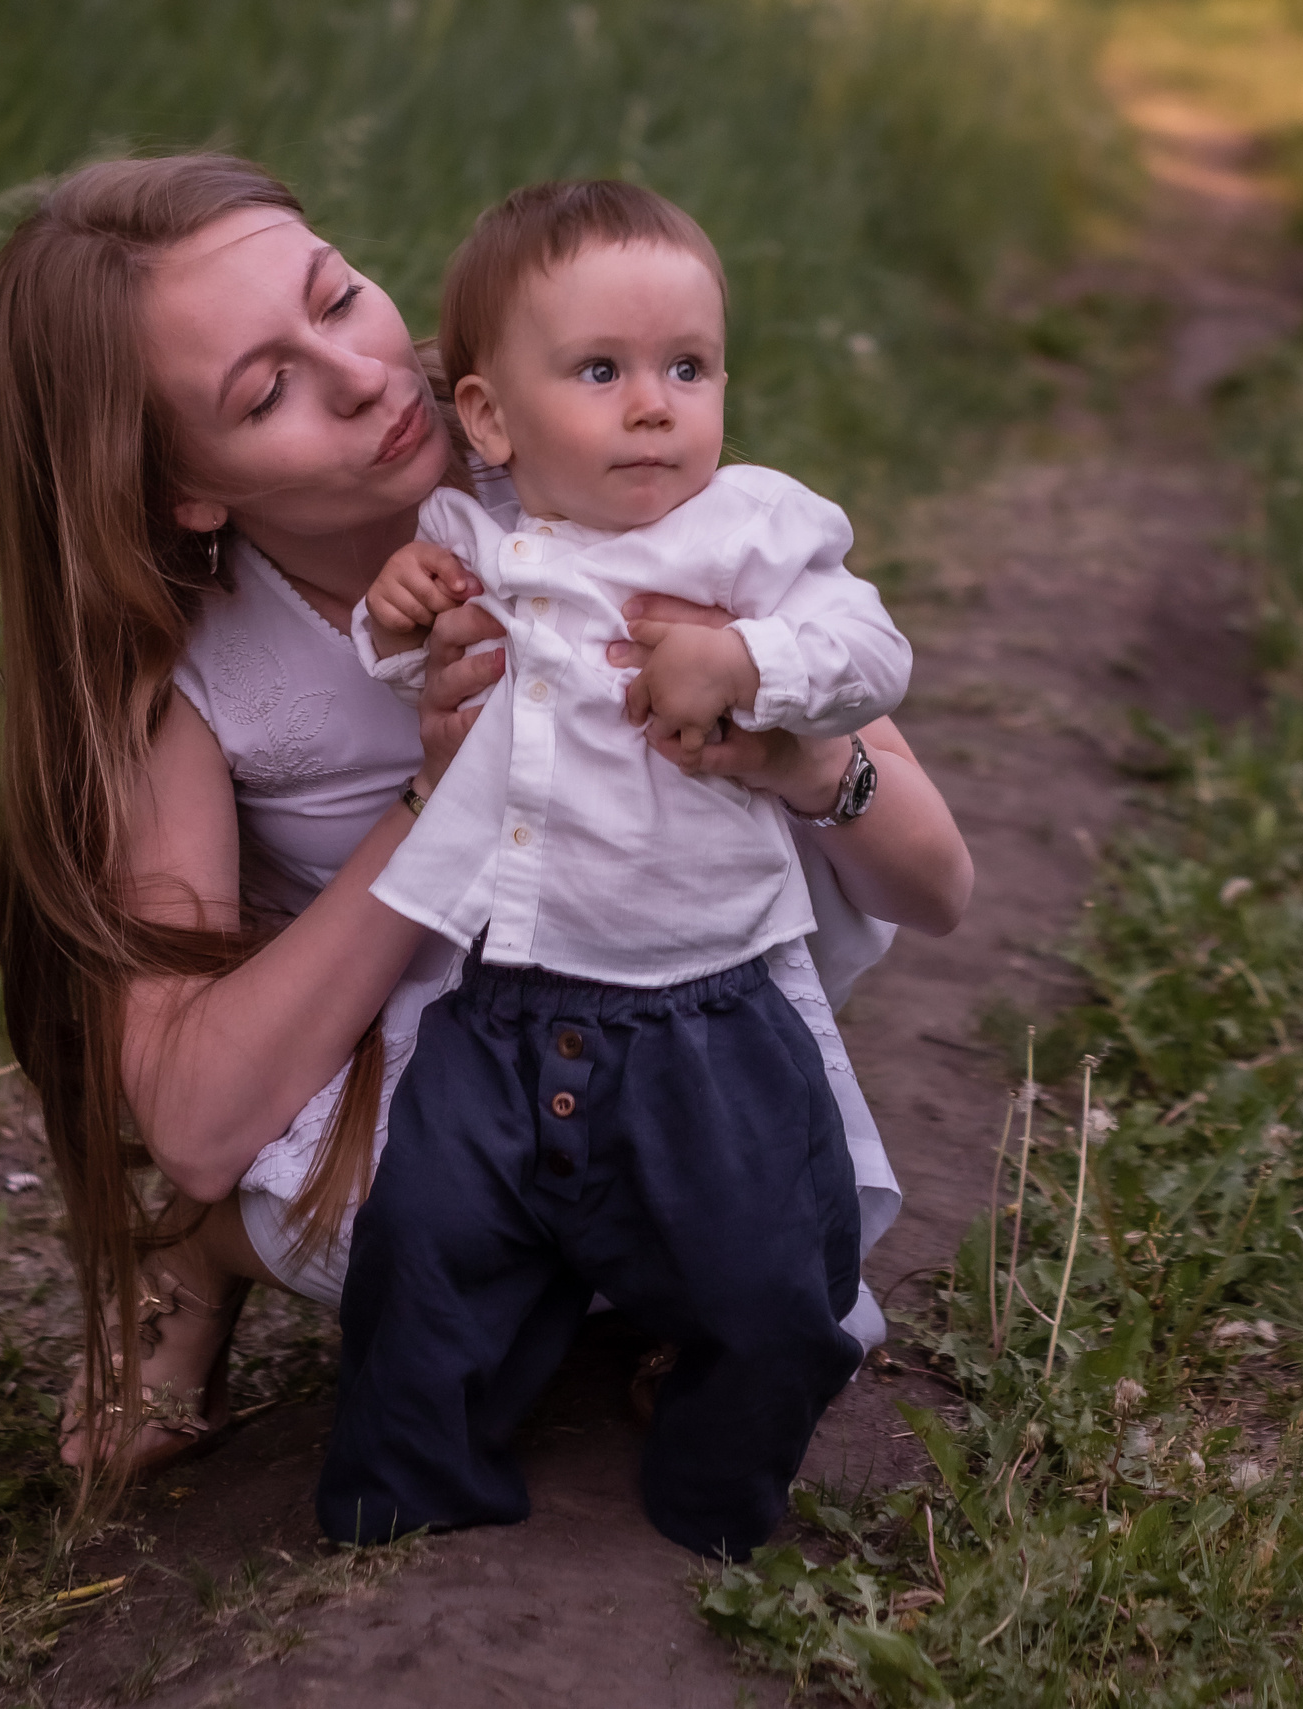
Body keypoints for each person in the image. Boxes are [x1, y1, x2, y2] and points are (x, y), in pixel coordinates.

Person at [0, 154, 973, 1493]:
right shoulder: (197, 676)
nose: (368, 377)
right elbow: (200, 1120)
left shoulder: (582, 450)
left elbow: (937, 881)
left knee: (769, 1268)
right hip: (442, 1064)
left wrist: (787, 749)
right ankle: (200, 1253)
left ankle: (658, 1263)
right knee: (386, 1227)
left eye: (337, 298)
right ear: (185, 490)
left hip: (674, 1013)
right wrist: (442, 795)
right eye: (265, 392)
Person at [316, 181, 908, 1558]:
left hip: (706, 1009)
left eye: (687, 368)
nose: (656, 406)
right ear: (492, 417)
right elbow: (402, 649)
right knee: (426, 1244)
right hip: (506, 1001)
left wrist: (751, 665)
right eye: (603, 371)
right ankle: (406, 1482)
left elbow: (873, 649)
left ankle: (718, 1484)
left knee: (771, 1280)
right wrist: (392, 614)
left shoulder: (744, 529)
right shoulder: (471, 533)